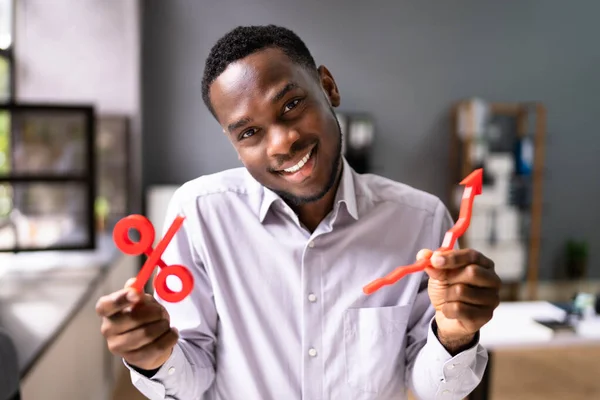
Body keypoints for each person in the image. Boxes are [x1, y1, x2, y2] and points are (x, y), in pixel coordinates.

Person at [96, 25, 501, 400]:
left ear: (328, 87)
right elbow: (190, 375)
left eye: (291, 105)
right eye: (249, 132)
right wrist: (153, 357)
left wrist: (454, 334)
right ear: (233, 141)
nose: (282, 142)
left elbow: (435, 389)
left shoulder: (420, 220)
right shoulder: (199, 214)